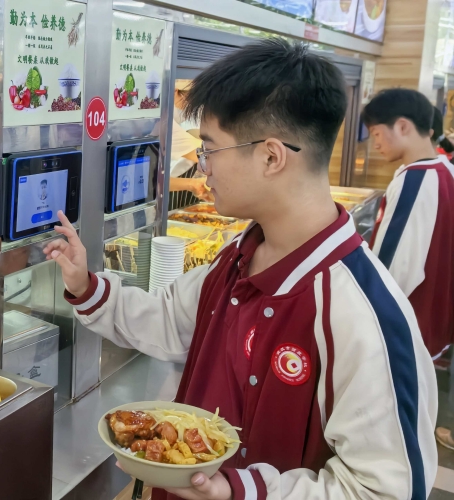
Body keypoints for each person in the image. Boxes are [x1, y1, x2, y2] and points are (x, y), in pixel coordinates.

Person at [44, 39, 437, 500]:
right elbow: (171, 322)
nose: (203, 167)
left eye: (209, 148)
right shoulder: (238, 256)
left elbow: (386, 490)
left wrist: (241, 490)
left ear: (271, 156)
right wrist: (86, 285)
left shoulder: (363, 316)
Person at [365, 89, 454, 361]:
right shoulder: (446, 171)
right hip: (436, 320)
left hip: (405, 332)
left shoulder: (413, 181)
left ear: (402, 127)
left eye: (376, 134)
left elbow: (391, 267)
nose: (375, 144)